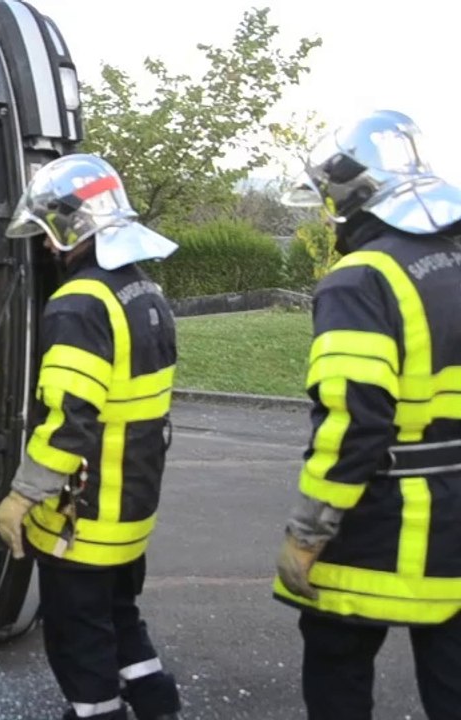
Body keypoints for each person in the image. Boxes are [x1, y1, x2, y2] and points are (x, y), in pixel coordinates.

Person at [271, 109, 461, 720]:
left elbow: (355, 420)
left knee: (337, 668)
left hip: (378, 526)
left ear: (351, 196)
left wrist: (308, 532)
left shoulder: (360, 279)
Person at [0, 153, 182, 720]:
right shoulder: (143, 291)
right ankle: (156, 704)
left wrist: (21, 496)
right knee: (121, 617)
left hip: (84, 515)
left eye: (49, 234)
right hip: (133, 505)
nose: (46, 247)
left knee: (79, 642)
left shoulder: (79, 303)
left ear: (70, 226)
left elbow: (69, 419)